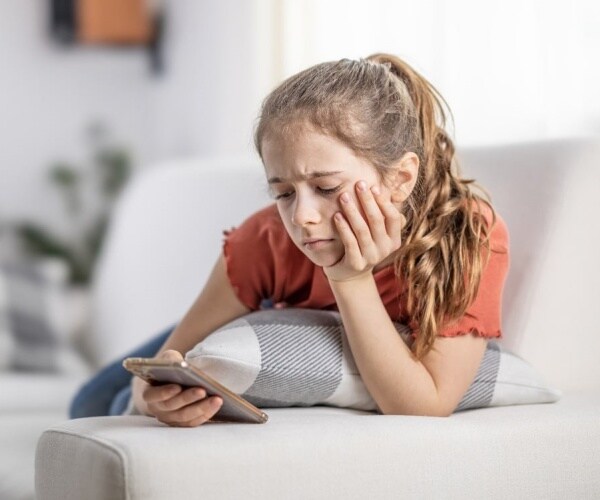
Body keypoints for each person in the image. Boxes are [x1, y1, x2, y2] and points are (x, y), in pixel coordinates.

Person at [70, 53, 509, 425]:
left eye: (327, 188)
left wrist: (350, 280)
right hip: (249, 313)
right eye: (282, 192)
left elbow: (424, 406)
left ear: (401, 179)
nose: (301, 216)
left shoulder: (466, 237)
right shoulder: (266, 237)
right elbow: (164, 365)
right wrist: (150, 399)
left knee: (95, 407)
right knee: (90, 404)